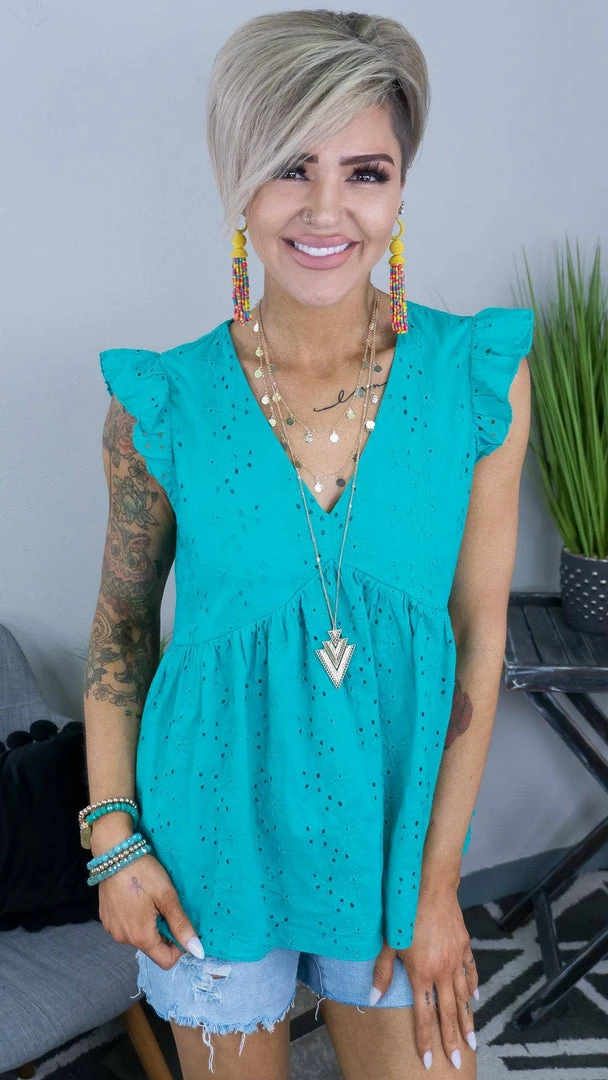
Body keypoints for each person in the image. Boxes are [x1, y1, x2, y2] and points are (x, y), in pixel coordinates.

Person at [82, 9, 534, 1080]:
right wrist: (113, 839)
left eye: (364, 171)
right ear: (240, 184)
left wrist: (436, 885)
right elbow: (121, 632)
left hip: (390, 843)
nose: (327, 209)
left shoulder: (477, 382)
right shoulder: (161, 405)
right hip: (209, 842)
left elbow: (478, 639)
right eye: (291, 167)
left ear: (399, 188)